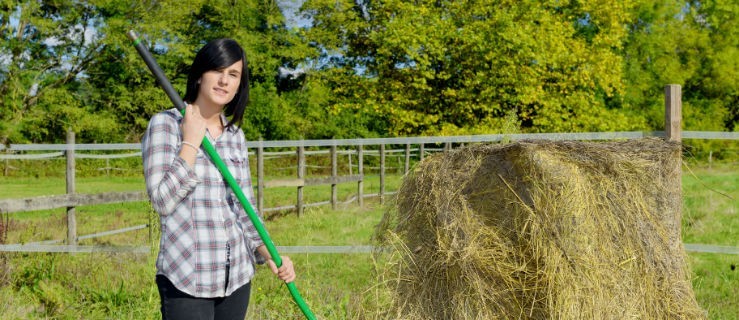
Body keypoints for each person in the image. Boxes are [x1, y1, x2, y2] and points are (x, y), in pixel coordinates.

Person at [142, 38, 295, 320]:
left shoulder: (236, 137)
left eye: (233, 74)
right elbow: (162, 201)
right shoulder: (166, 125)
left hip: (236, 277)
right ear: (201, 75)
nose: (224, 80)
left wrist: (269, 252)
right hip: (187, 279)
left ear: (239, 84)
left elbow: (244, 207)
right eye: (218, 70)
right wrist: (190, 142)